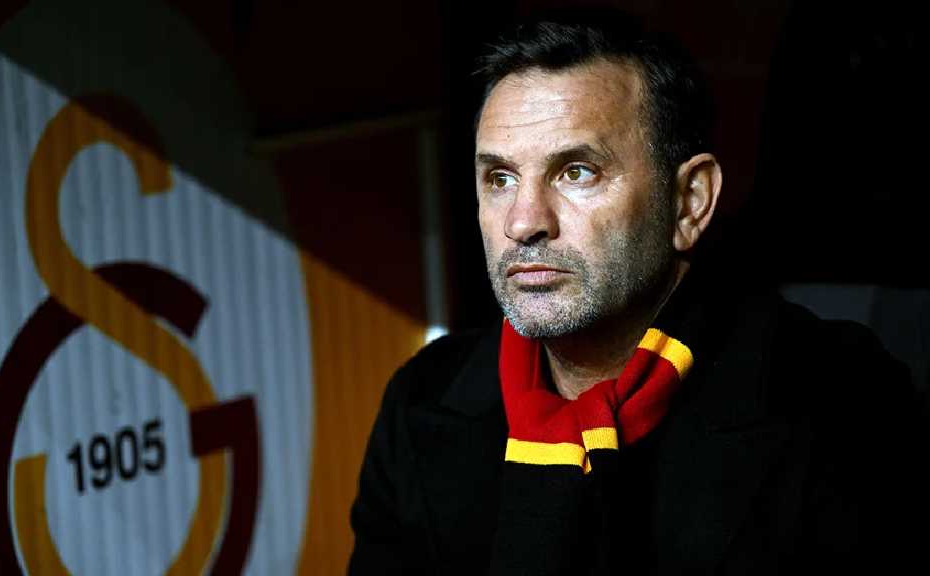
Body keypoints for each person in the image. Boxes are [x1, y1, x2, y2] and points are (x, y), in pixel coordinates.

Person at [348, 14, 925, 575]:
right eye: (500, 178)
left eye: (576, 172)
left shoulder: (838, 397)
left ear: (690, 202)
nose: (523, 222)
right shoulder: (422, 399)